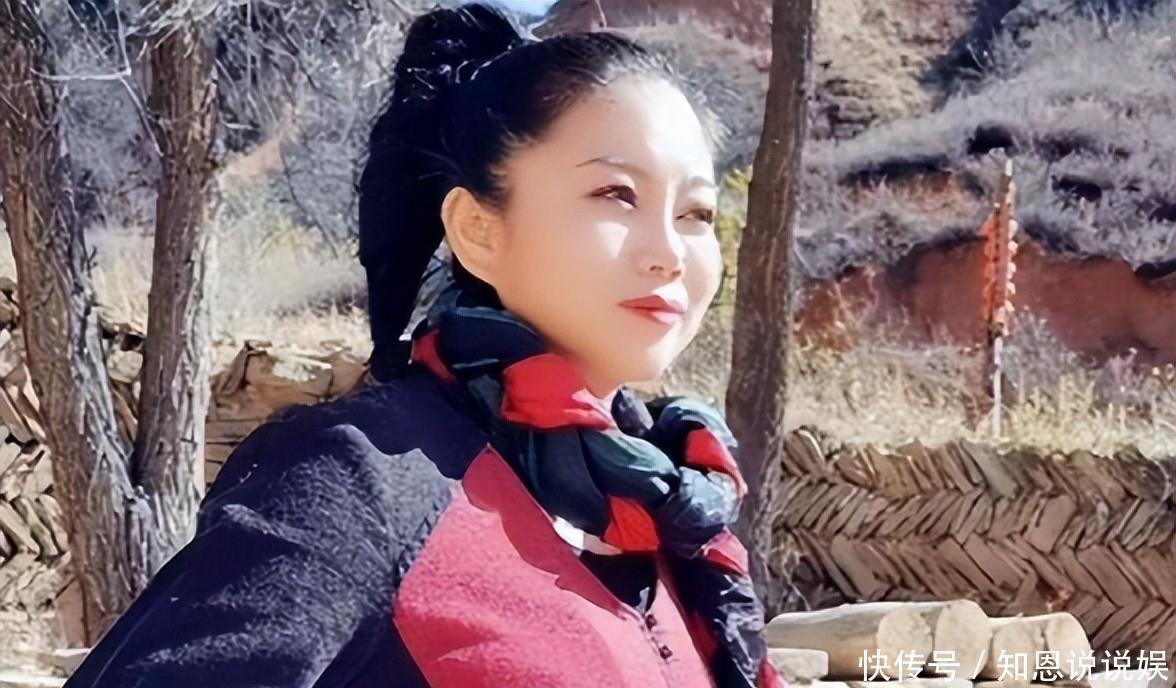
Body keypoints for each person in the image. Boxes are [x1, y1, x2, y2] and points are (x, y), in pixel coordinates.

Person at [64, 4, 784, 687]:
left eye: (696, 213)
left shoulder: (667, 514)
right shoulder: (359, 484)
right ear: (478, 230)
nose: (671, 253)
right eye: (616, 195)